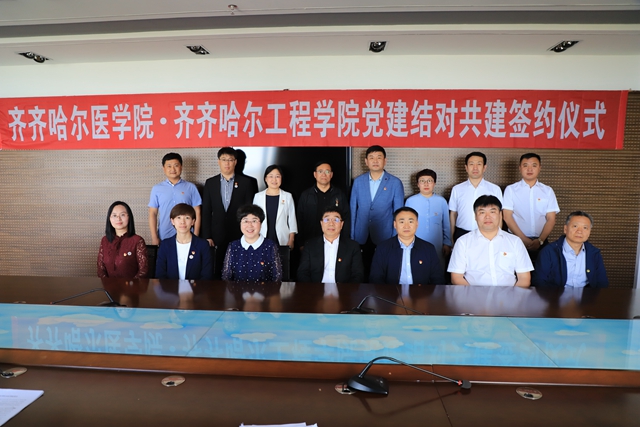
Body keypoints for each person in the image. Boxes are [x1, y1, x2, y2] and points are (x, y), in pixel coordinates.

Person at [448, 195, 533, 287]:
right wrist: (474, 294)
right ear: (475, 216)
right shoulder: (463, 242)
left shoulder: (515, 241)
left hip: (509, 295)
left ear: (500, 215)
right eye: (482, 212)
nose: (487, 217)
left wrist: (512, 295)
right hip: (473, 295)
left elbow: (524, 278)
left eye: (492, 212)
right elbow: (456, 278)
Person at [201, 147, 257, 277]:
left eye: (230, 160)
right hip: (217, 234)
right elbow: (206, 211)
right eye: (224, 159)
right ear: (218, 161)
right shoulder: (210, 183)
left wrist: (248, 233)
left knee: (239, 268)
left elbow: (249, 211)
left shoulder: (246, 183)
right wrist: (207, 235)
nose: (227, 163)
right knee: (217, 269)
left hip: (239, 233)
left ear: (235, 162)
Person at [350, 145, 404, 278]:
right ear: (366, 161)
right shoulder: (358, 182)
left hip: (385, 234)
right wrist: (352, 236)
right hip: (361, 234)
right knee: (361, 270)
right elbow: (352, 210)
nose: (375, 161)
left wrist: (395, 237)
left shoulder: (395, 183)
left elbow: (399, 213)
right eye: (371, 158)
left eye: (379, 157)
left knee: (382, 271)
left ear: (385, 161)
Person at [503, 153, 560, 262]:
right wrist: (524, 240)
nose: (529, 169)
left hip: (541, 242)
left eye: (534, 165)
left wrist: (540, 240)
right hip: (516, 240)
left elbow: (551, 219)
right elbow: (507, 217)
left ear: (539, 168)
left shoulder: (547, 191)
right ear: (520, 168)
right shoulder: (511, 190)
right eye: (525, 165)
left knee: (541, 270)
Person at [369, 207, 444, 285]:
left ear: (417, 224)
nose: (406, 226)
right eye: (402, 222)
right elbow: (375, 278)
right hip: (391, 292)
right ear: (395, 224)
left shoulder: (428, 249)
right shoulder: (383, 248)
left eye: (411, 222)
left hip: (421, 292)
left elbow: (438, 279)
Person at [534, 211, 608, 288]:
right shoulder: (549, 251)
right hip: (555, 294)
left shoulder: (594, 253)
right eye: (575, 226)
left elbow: (602, 282)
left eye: (585, 228)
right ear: (565, 229)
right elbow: (539, 281)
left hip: (586, 294)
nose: (579, 231)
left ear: (589, 232)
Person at [297, 207, 364, 283]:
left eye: (336, 220)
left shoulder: (353, 246)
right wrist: (314, 289)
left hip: (343, 289)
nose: (331, 223)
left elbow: (358, 275)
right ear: (321, 223)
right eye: (327, 220)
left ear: (342, 224)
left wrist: (344, 289)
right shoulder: (310, 245)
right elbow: (302, 273)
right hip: (316, 289)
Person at [148, 152, 202, 246]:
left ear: (181, 167)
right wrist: (154, 237)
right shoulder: (157, 189)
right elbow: (152, 213)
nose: (173, 169)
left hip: (188, 236)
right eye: (169, 166)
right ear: (164, 168)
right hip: (164, 235)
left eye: (176, 165)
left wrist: (196, 235)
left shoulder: (191, 187)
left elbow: (197, 212)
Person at [449, 152, 503, 243]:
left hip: (487, 234)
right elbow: (453, 214)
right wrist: (451, 238)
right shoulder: (457, 189)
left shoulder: (495, 189)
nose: (475, 168)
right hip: (462, 233)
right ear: (466, 167)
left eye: (479, 164)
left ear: (484, 167)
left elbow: (499, 215)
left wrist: (498, 237)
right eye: (471, 164)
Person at [221, 204, 283, 282]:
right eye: (245, 221)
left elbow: (277, 278)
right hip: (237, 290)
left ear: (261, 223)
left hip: (265, 290)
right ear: (240, 223)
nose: (249, 225)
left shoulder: (270, 246)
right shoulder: (233, 246)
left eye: (254, 221)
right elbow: (226, 277)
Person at [405, 168, 452, 268]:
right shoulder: (410, 201)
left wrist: (447, 243)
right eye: (422, 181)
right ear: (418, 184)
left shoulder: (442, 201)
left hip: (437, 245)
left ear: (434, 183)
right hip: (415, 244)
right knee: (417, 269)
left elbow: (446, 225)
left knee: (437, 269)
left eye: (429, 181)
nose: (426, 184)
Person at [297, 161, 350, 247]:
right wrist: (301, 243)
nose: (324, 174)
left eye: (327, 171)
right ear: (315, 174)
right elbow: (300, 220)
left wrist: (344, 242)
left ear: (331, 174)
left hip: (334, 242)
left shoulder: (339, 195)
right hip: (310, 242)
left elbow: (346, 219)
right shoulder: (306, 195)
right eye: (320, 171)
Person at [155, 203, 213, 280]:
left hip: (196, 287)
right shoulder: (165, 245)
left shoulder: (203, 245)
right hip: (170, 287)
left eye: (187, 218)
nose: (182, 222)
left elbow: (206, 276)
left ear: (193, 221)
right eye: (178, 218)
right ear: (172, 221)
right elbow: (160, 275)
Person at [97, 201, 148, 279]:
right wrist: (108, 284)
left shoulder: (137, 241)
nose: (118, 219)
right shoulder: (105, 240)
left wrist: (130, 285)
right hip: (109, 286)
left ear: (129, 217)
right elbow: (100, 269)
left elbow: (143, 271)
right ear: (109, 218)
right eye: (114, 215)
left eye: (122, 215)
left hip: (132, 286)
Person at [252, 165, 297, 249]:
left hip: (282, 238)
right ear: (266, 179)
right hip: (262, 236)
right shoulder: (258, 196)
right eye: (271, 176)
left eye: (277, 176)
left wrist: (291, 240)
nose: (274, 180)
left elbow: (292, 219)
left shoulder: (288, 196)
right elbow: (253, 219)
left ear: (281, 178)